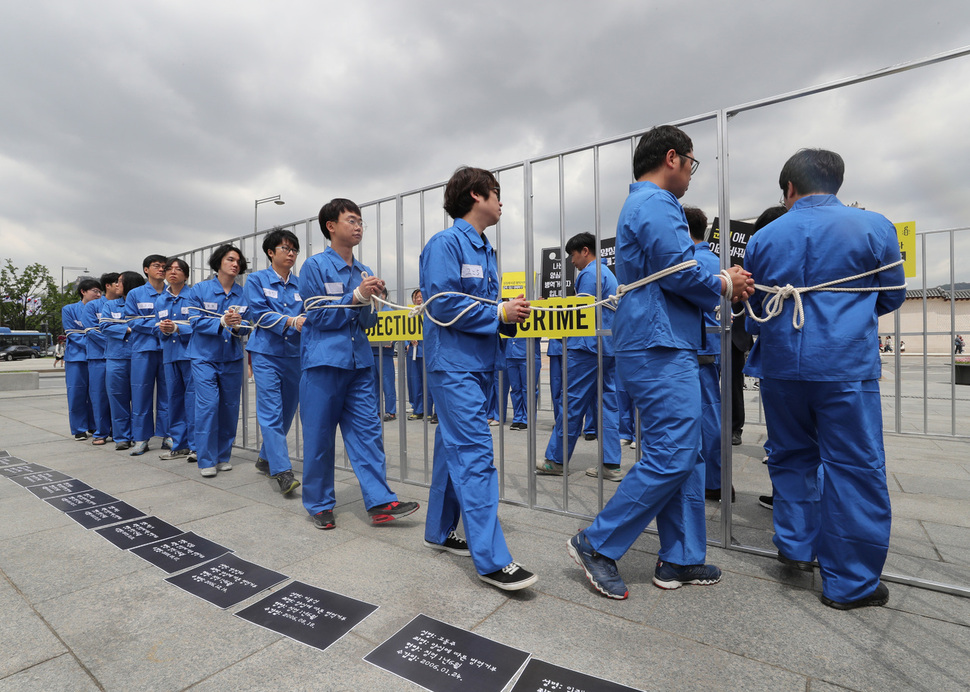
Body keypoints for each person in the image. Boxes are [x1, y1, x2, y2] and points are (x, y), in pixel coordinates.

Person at [567, 125, 753, 599]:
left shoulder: (649, 204)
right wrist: (725, 282)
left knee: (684, 452)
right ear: (672, 158)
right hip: (657, 343)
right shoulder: (654, 203)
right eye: (691, 163)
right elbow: (679, 269)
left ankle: (681, 557)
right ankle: (597, 542)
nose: (691, 174)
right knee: (673, 453)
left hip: (664, 340)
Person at [744, 148, 905, 610]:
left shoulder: (765, 237)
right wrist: (846, 315)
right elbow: (891, 295)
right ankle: (850, 582)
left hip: (779, 365)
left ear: (789, 189)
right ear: (837, 182)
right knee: (853, 466)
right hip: (843, 364)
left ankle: (795, 547)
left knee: (791, 455)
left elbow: (757, 305)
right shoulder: (875, 226)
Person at [420, 166, 537, 591]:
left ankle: (438, 530)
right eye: (497, 193)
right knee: (474, 455)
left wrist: (506, 316)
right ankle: (492, 560)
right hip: (452, 365)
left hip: (478, 364)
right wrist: (498, 313)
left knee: (451, 449)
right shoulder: (446, 244)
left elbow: (480, 309)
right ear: (476, 195)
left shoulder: (484, 249)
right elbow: (443, 304)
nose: (502, 201)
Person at [299, 198, 419, 529]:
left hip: (360, 365)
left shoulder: (362, 271)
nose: (358, 226)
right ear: (331, 227)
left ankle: (380, 502)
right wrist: (355, 297)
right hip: (324, 364)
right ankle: (320, 503)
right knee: (320, 436)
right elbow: (318, 316)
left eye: (361, 221)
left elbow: (366, 324)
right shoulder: (314, 267)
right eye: (351, 220)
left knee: (368, 434)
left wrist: (371, 298)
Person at [536, 232, 622, 481]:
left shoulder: (589, 274)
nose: (571, 262)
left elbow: (580, 315)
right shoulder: (608, 274)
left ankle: (556, 460)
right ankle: (610, 464)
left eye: (573, 255)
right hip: (607, 347)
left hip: (586, 348)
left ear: (585, 251)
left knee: (572, 402)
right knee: (607, 404)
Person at [245, 229, 304, 494]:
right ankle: (282, 470)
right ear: (271, 252)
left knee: (288, 411)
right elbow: (259, 313)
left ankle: (265, 457)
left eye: (294, 250)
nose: (290, 254)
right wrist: (290, 320)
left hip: (294, 354)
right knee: (271, 410)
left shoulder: (302, 284)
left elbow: (311, 311)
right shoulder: (256, 280)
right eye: (285, 248)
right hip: (266, 353)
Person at [682, 207, 733, 503]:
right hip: (710, 346)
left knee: (707, 415)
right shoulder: (713, 258)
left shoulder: (694, 260)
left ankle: (714, 480)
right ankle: (715, 478)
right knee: (710, 411)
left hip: (700, 346)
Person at [187, 244, 249, 478]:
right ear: (218, 262)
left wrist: (236, 327)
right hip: (204, 357)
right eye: (230, 259)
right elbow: (194, 320)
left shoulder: (243, 293)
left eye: (238, 261)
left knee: (229, 408)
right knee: (208, 405)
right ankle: (206, 459)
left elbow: (247, 327)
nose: (235, 264)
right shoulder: (200, 290)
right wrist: (221, 322)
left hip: (232, 357)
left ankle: (223, 456)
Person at [126, 255, 170, 456]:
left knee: (168, 394)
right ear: (146, 270)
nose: (161, 269)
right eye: (156, 266)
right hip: (143, 350)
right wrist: (157, 326)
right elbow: (133, 321)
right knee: (141, 394)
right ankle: (141, 438)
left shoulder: (172, 292)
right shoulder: (135, 294)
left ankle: (168, 435)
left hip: (168, 349)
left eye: (164, 266)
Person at [155, 258, 196, 461]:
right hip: (169, 356)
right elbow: (158, 328)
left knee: (193, 400)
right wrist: (162, 329)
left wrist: (178, 328)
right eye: (169, 269)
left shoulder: (193, 296)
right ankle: (179, 444)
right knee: (174, 400)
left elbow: (199, 326)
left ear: (186, 275)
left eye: (178, 269)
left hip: (190, 354)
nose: (173, 272)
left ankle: (196, 445)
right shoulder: (161, 300)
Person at [102, 271, 144, 451]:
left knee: (140, 398)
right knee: (117, 397)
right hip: (116, 357)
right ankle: (121, 436)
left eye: (120, 282)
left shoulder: (142, 304)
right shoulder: (110, 305)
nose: (116, 285)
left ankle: (139, 435)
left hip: (139, 356)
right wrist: (127, 329)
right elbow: (104, 325)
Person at [62, 278, 101, 440]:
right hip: (77, 359)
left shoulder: (102, 309)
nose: (98, 294)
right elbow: (73, 334)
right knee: (76, 393)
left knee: (96, 394)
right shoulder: (69, 309)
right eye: (95, 291)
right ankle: (79, 428)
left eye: (100, 292)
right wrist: (95, 340)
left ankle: (94, 426)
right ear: (83, 292)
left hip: (97, 357)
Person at [82, 274, 116, 445]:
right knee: (99, 396)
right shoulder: (92, 306)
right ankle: (101, 431)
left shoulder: (125, 304)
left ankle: (119, 432)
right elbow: (91, 330)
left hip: (120, 357)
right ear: (108, 286)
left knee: (120, 396)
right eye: (117, 282)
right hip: (98, 357)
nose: (120, 286)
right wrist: (114, 341)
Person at [406, 289, 435, 421]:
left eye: (421, 297)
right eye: (416, 297)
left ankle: (428, 410)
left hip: (426, 352)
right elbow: (404, 330)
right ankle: (418, 409)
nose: (418, 299)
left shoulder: (429, 313)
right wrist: (408, 341)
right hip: (413, 352)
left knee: (427, 383)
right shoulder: (409, 313)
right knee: (415, 382)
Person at [371, 287, 398, 421]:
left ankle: (391, 411)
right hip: (371, 353)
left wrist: (393, 339)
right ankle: (377, 411)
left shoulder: (390, 312)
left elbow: (399, 332)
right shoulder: (370, 311)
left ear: (384, 296)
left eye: (380, 294)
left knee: (388, 384)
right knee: (374, 384)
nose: (378, 296)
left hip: (385, 354)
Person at [505, 335, 541, 431]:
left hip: (528, 354)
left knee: (528, 389)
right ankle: (517, 417)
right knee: (515, 389)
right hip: (510, 354)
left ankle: (528, 418)